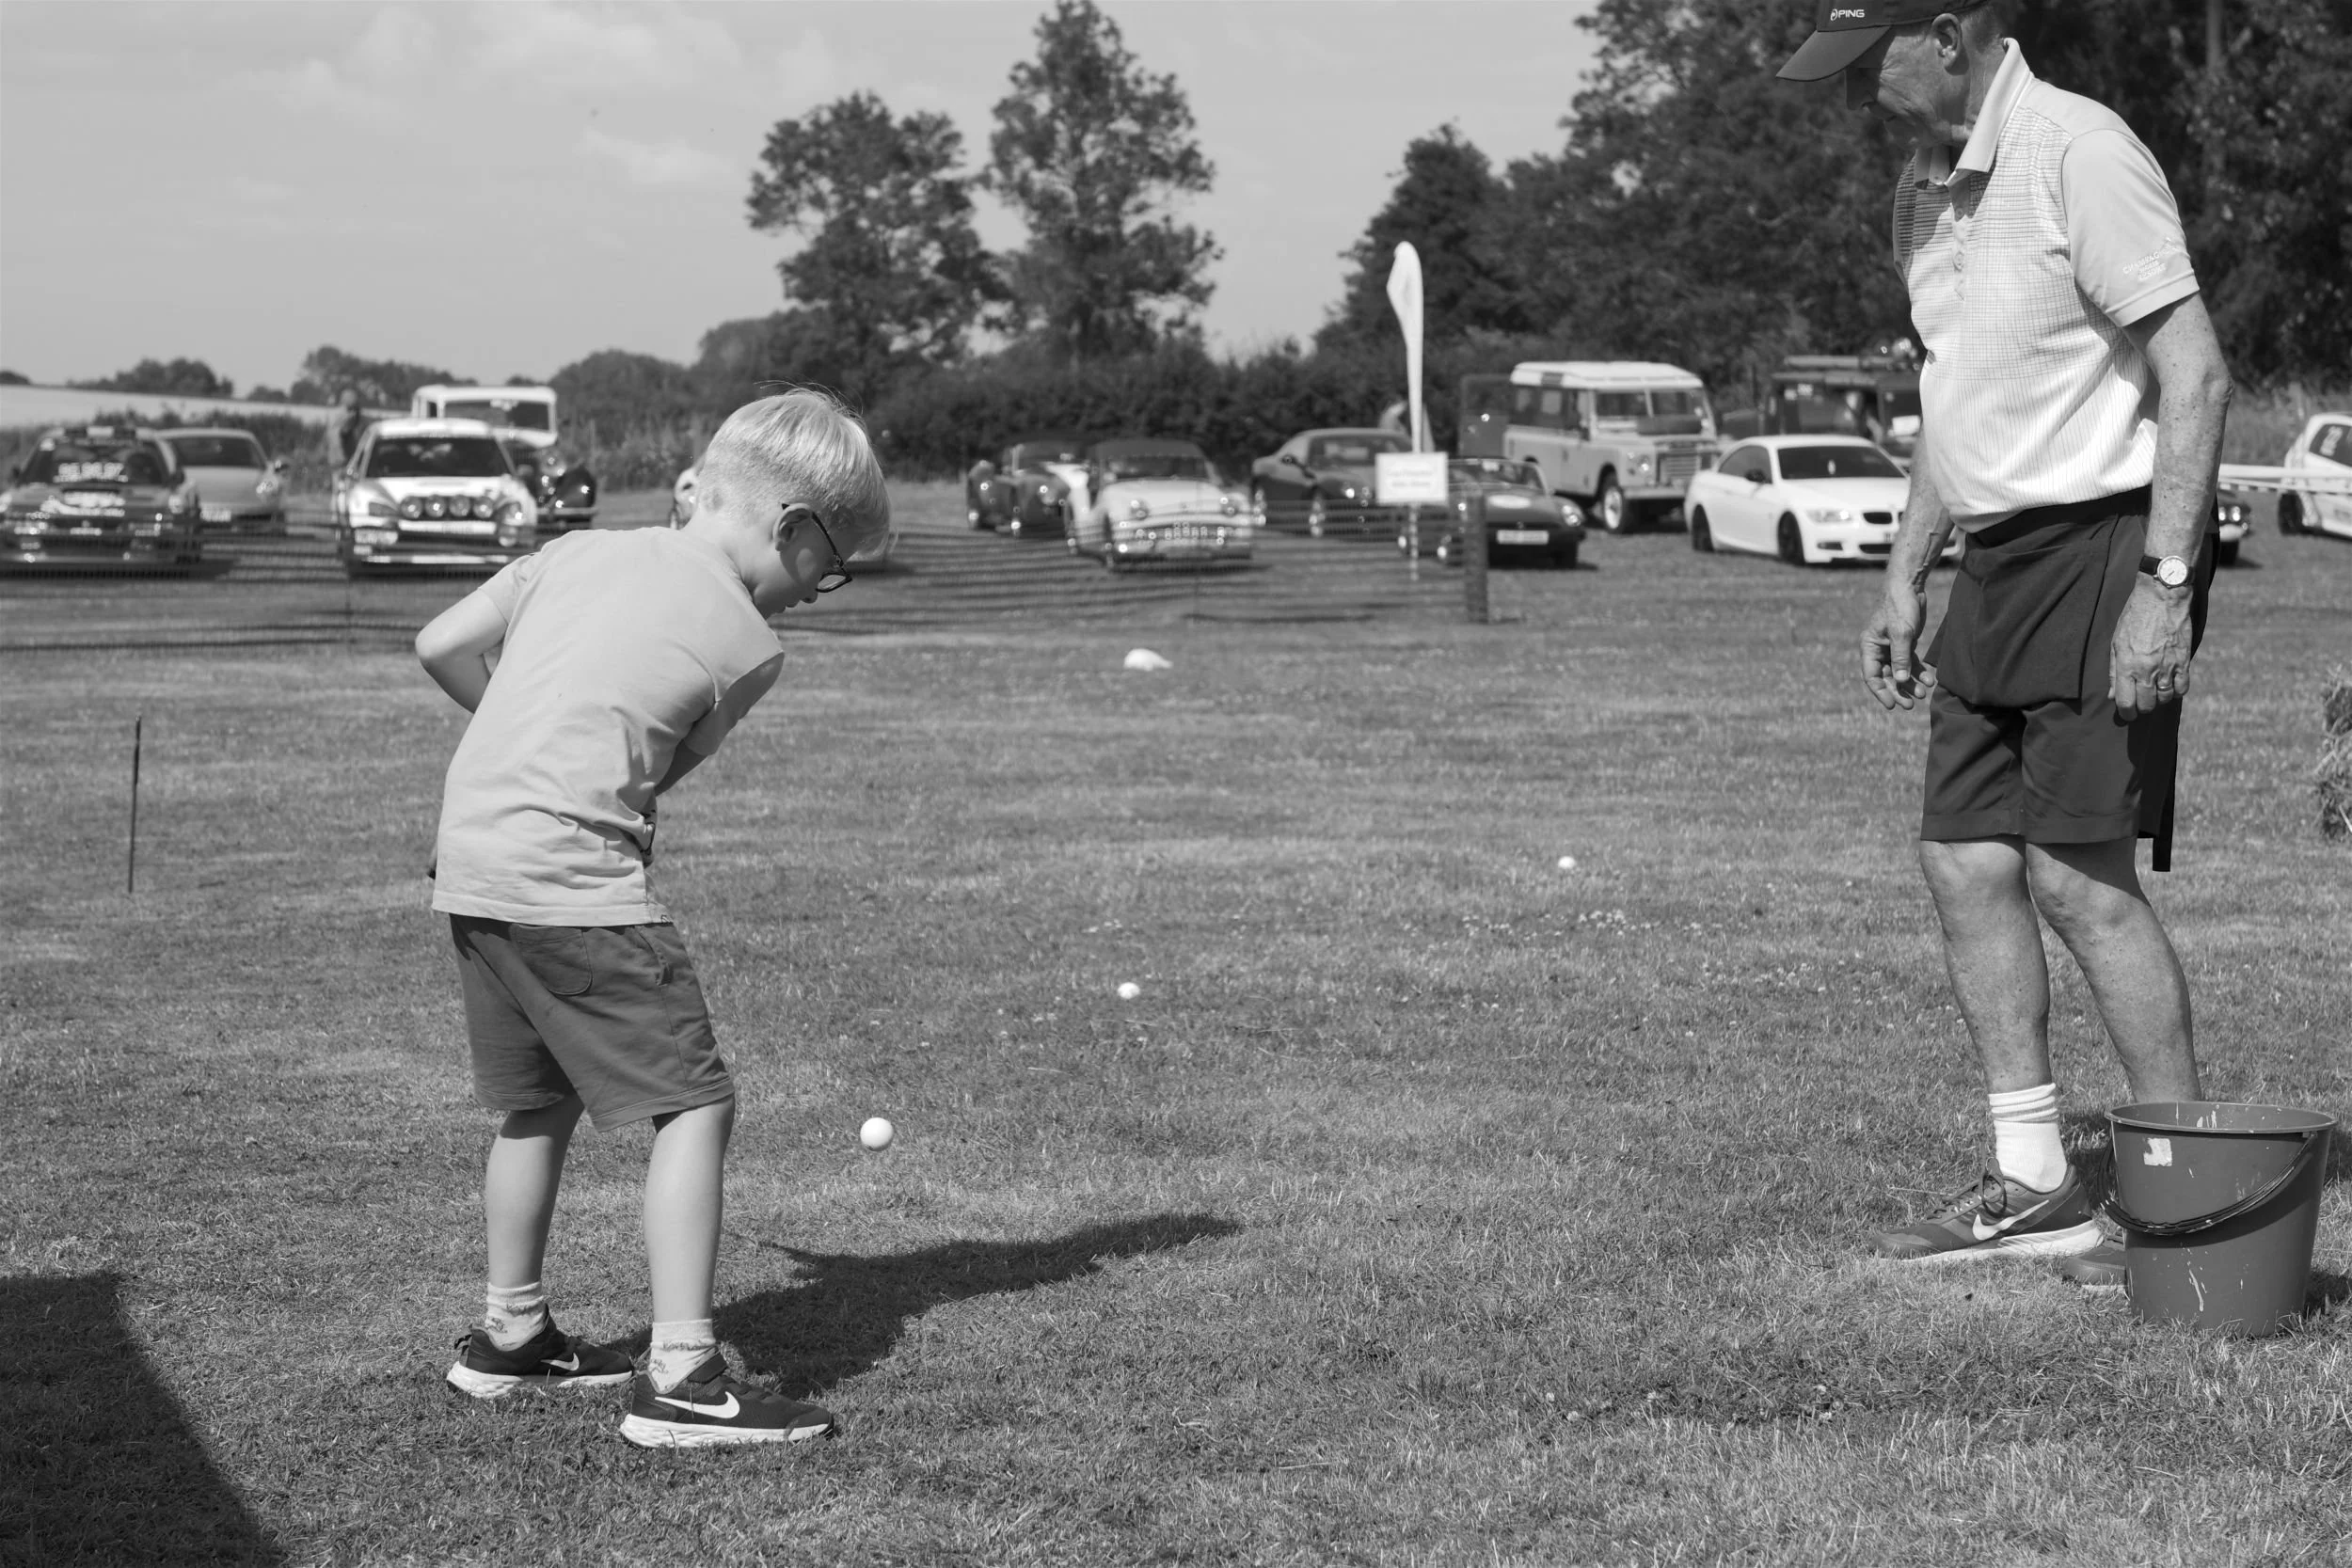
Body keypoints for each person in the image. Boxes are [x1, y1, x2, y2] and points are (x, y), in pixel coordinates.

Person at [1779, 3, 2232, 1282]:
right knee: (1966, 860)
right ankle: (2035, 1180)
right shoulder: (1919, 194)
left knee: (2080, 876)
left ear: (1949, 35)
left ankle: (2184, 1199)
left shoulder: (2081, 152)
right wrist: (1904, 575)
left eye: (1870, 62)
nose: (1857, 89)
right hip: (1990, 559)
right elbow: (1952, 395)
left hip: (2101, 545)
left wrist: (2166, 583)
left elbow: (2193, 374)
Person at [414, 388, 891, 1446]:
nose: (819, 592)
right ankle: (680, 1374)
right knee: (695, 1105)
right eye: (830, 565)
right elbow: (662, 765)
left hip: (473, 864)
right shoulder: (748, 643)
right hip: (572, 880)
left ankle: (512, 1338)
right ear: (791, 529)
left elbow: (440, 641)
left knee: (537, 1103)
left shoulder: (574, 550)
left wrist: (520, 730)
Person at [328, 388, 370, 469]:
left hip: (341, 459)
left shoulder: (338, 415)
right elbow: (340, 435)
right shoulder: (343, 416)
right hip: (342, 460)